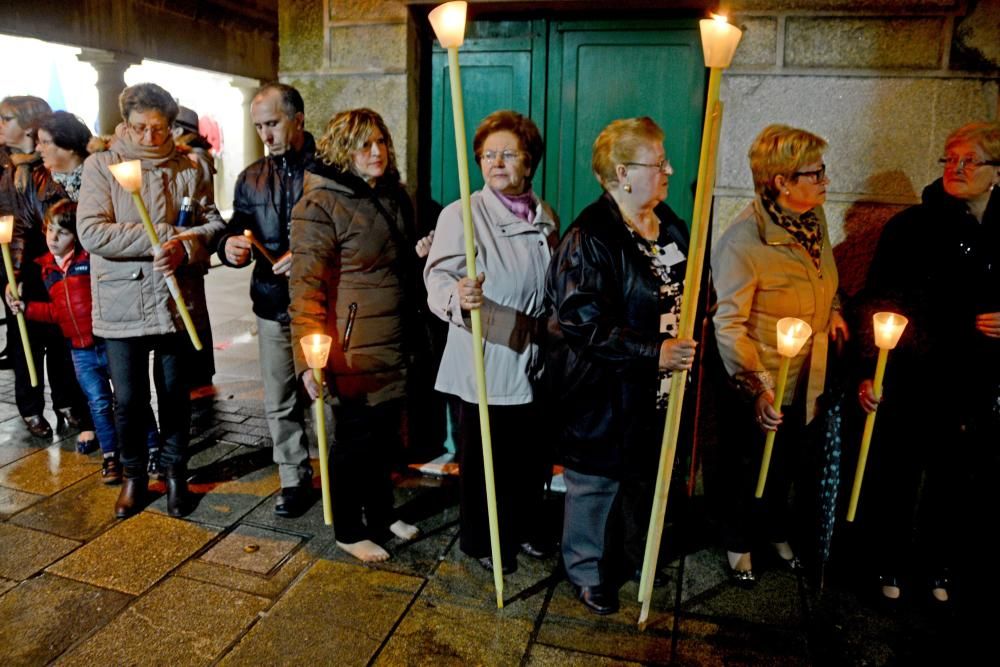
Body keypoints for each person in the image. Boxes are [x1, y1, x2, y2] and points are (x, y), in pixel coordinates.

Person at [546, 117, 695, 615]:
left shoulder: (668, 222)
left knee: (640, 475)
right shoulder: (591, 235)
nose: (670, 169)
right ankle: (587, 570)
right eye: (659, 162)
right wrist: (654, 353)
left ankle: (631, 555)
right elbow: (581, 322)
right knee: (596, 482)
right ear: (622, 173)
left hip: (657, 386)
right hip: (604, 389)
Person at [855, 121, 1000, 607]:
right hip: (916, 372)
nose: (956, 168)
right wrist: (867, 370)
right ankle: (888, 561)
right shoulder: (912, 227)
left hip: (979, 379)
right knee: (898, 472)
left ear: (996, 172)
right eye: (949, 158)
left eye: (970, 160)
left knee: (958, 476)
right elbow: (879, 300)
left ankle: (942, 563)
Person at [78, 82, 225, 518]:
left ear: (171, 126)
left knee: (176, 393)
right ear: (125, 124)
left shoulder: (190, 167)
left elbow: (212, 223)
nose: (149, 138)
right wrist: (161, 236)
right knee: (128, 398)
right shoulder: (102, 166)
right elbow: (92, 231)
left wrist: (188, 245)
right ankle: (134, 476)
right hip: (121, 301)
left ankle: (177, 473)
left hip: (174, 300)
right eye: (139, 128)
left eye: (158, 129)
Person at [711, 124, 847, 586]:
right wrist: (758, 386)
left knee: (787, 461)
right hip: (763, 377)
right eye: (815, 172)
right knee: (749, 464)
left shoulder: (815, 222)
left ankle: (773, 530)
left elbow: (824, 279)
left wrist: (835, 309)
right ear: (781, 182)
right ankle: (738, 540)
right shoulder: (743, 241)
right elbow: (728, 324)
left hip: (809, 373)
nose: (826, 180)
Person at [425, 110, 558, 575]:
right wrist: (456, 296)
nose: (496, 162)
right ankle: (481, 540)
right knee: (485, 461)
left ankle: (522, 527)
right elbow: (438, 277)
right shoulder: (463, 212)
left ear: (530, 161)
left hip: (533, 357)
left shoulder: (545, 216)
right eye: (488, 154)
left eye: (508, 153)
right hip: (485, 358)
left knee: (528, 457)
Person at [289, 108, 420, 562]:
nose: (376, 152)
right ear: (344, 151)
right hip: (350, 346)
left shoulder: (395, 196)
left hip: (395, 336)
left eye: (381, 141)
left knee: (385, 436)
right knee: (354, 440)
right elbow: (305, 285)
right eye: (364, 144)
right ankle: (348, 526)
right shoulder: (320, 205)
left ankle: (382, 513)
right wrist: (308, 358)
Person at [6, 199, 160, 482]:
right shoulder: (46, 270)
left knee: (130, 398)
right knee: (98, 403)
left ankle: (152, 447)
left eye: (62, 233)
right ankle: (111, 457)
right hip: (80, 351)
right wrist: (26, 308)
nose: (53, 238)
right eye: (50, 230)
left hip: (108, 341)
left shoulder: (89, 259)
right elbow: (56, 312)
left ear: (75, 234)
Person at [217, 83, 317, 517]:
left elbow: (350, 232)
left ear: (298, 119)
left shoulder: (328, 168)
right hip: (272, 303)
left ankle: (338, 474)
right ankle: (294, 477)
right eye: (259, 127)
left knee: (327, 396)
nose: (267, 135)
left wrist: (309, 254)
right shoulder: (251, 176)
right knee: (280, 397)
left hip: (320, 304)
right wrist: (229, 248)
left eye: (273, 124)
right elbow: (237, 227)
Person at [0, 96, 88, 439]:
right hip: (20, 266)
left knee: (62, 336)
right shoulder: (11, 170)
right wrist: (15, 273)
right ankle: (31, 407)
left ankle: (67, 402)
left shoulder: (45, 168)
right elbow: (17, 226)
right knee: (25, 343)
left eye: (7, 118)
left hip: (56, 263)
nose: (1, 124)